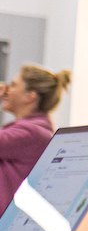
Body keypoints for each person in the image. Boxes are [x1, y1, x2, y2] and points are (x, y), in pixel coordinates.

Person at [0, 65, 71, 212]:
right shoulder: (30, 130)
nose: (6, 90)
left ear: (30, 96)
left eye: (13, 85)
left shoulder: (32, 133)